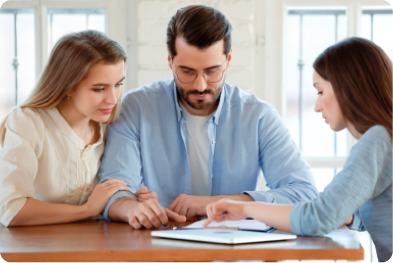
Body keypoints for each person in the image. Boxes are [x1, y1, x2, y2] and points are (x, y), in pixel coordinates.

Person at [98, 5, 318, 229]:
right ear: (170, 61)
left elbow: (304, 193)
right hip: (160, 251)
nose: (200, 85)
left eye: (212, 71)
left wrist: (218, 204)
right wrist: (132, 208)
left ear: (228, 59)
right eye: (187, 71)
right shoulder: (137, 108)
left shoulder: (259, 116)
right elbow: (113, 190)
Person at [204, 37, 393, 263]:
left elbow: (316, 218)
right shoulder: (384, 137)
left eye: (320, 92)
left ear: (347, 87)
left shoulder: (377, 140)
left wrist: (244, 209)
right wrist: (346, 215)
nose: (317, 106)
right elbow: (377, 213)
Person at [0, 30, 155, 227]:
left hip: (96, 248)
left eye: (118, 84)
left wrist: (132, 199)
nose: (113, 99)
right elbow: (11, 209)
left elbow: (111, 193)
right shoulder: (28, 121)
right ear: (69, 86)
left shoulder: (110, 124)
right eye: (99, 88)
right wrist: (88, 210)